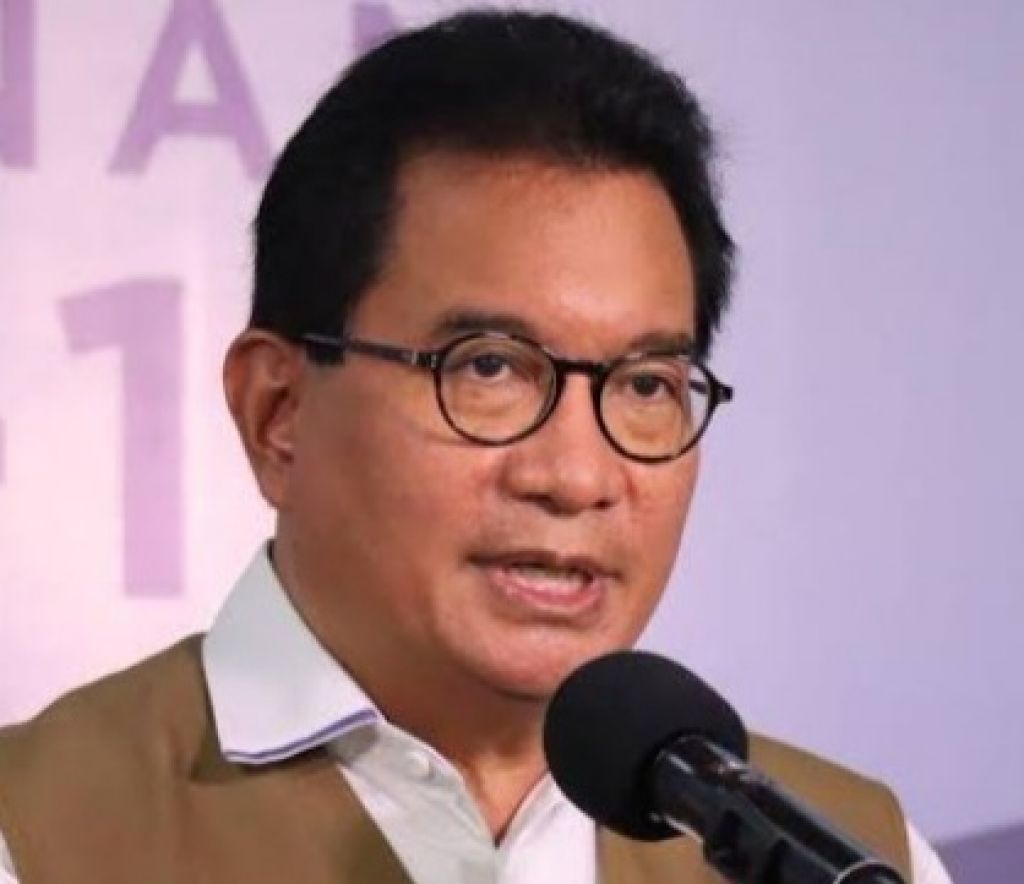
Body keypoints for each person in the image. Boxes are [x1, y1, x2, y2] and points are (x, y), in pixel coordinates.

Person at [0, 9, 952, 883]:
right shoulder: (35, 835)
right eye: (489, 368)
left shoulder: (850, 856)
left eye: (645, 385)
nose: (576, 476)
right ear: (277, 412)